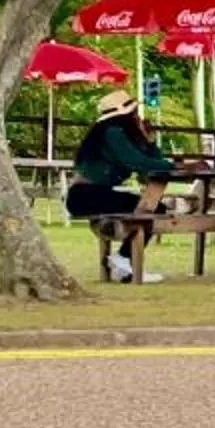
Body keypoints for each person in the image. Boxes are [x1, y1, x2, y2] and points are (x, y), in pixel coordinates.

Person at [64, 88, 173, 283]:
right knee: (152, 207)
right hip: (87, 195)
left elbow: (148, 164)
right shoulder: (114, 133)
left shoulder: (109, 132)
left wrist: (149, 142)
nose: (137, 118)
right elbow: (138, 163)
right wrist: (175, 165)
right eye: (134, 113)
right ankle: (124, 259)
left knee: (152, 206)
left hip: (89, 194)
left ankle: (124, 263)